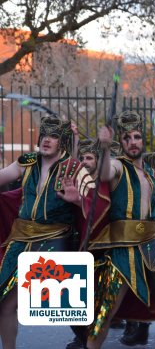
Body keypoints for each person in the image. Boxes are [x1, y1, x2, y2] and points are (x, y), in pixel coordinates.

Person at [88, 111, 155, 349]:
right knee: (106, 310)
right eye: (127, 138)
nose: (133, 142)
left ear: (143, 140)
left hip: (152, 244)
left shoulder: (152, 175)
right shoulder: (118, 166)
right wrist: (104, 147)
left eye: (137, 137)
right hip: (122, 247)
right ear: (121, 142)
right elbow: (104, 173)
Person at [0, 116, 93, 349]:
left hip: (55, 239)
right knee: (4, 302)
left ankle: (88, 341)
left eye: (52, 136)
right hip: (20, 239)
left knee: (66, 307)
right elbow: (3, 176)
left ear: (61, 140)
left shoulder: (74, 168)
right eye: (43, 135)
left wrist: (78, 199)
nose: (46, 140)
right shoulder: (28, 160)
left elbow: (96, 203)